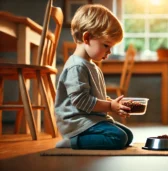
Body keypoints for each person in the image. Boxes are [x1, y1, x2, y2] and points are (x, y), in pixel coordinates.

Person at [55, 4, 133, 149]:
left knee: (128, 135)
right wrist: (109, 106)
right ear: (87, 38)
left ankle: (84, 139)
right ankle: (73, 141)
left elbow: (92, 96)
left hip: (91, 119)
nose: (109, 52)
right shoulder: (76, 66)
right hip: (77, 122)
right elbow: (81, 101)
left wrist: (111, 102)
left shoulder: (90, 66)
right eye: (106, 45)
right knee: (118, 137)